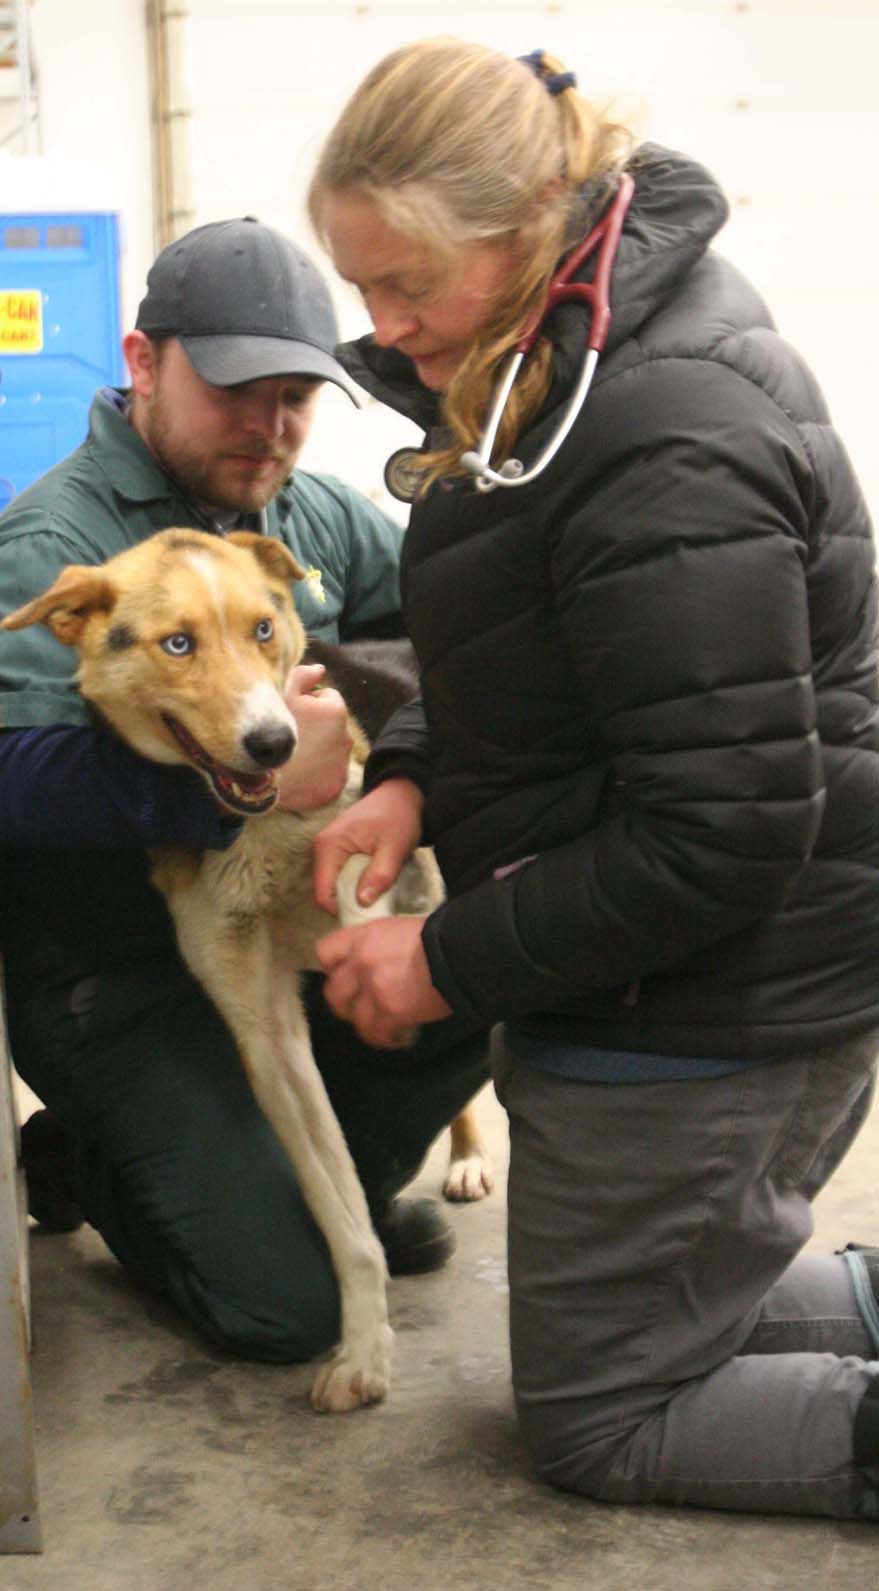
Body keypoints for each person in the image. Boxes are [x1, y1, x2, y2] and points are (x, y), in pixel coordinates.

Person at [305, 38, 879, 1517]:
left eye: (403, 286)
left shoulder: (658, 424)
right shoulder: (542, 367)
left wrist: (443, 956)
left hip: (706, 996)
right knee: (663, 1307)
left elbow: (721, 827)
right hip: (676, 971)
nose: (380, 328)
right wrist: (412, 775)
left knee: (601, 1416)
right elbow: (542, 663)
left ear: (520, 229)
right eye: (356, 287)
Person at [0, 216, 489, 1364]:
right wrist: (238, 792)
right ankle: (96, 1163)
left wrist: (388, 744)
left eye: (294, 396)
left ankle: (321, 1190)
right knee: (288, 1315)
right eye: (234, 391)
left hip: (283, 926)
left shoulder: (307, 518)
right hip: (117, 985)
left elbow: (458, 637)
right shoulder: (49, 543)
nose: (268, 429)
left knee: (500, 967)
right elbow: (9, 775)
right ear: (142, 362)